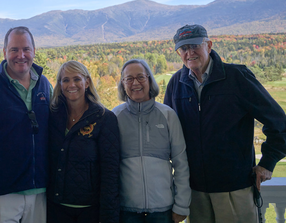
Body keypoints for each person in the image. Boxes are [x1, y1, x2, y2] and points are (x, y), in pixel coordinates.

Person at [164, 24, 286, 223]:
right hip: (195, 192)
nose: (189, 53)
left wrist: (267, 163)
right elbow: (168, 133)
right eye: (183, 49)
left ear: (209, 45)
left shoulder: (237, 78)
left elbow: (279, 123)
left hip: (235, 189)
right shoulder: (176, 84)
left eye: (195, 46)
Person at [0, 26, 52, 223]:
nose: (20, 55)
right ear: (4, 52)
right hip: (1, 194)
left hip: (40, 191)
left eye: (26, 49)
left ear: (34, 51)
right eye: (14, 49)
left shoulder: (45, 85)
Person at [113, 59, 190, 223]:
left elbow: (181, 162)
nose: (136, 83)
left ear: (149, 79)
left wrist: (182, 205)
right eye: (129, 78)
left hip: (163, 210)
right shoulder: (114, 117)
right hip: (126, 210)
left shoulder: (168, 115)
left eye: (140, 77)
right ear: (123, 83)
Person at [47, 60, 120, 223]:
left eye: (77, 79)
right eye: (65, 80)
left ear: (87, 82)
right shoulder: (52, 116)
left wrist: (109, 215)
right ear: (60, 84)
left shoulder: (104, 118)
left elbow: (111, 171)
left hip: (90, 211)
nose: (71, 84)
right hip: (55, 208)